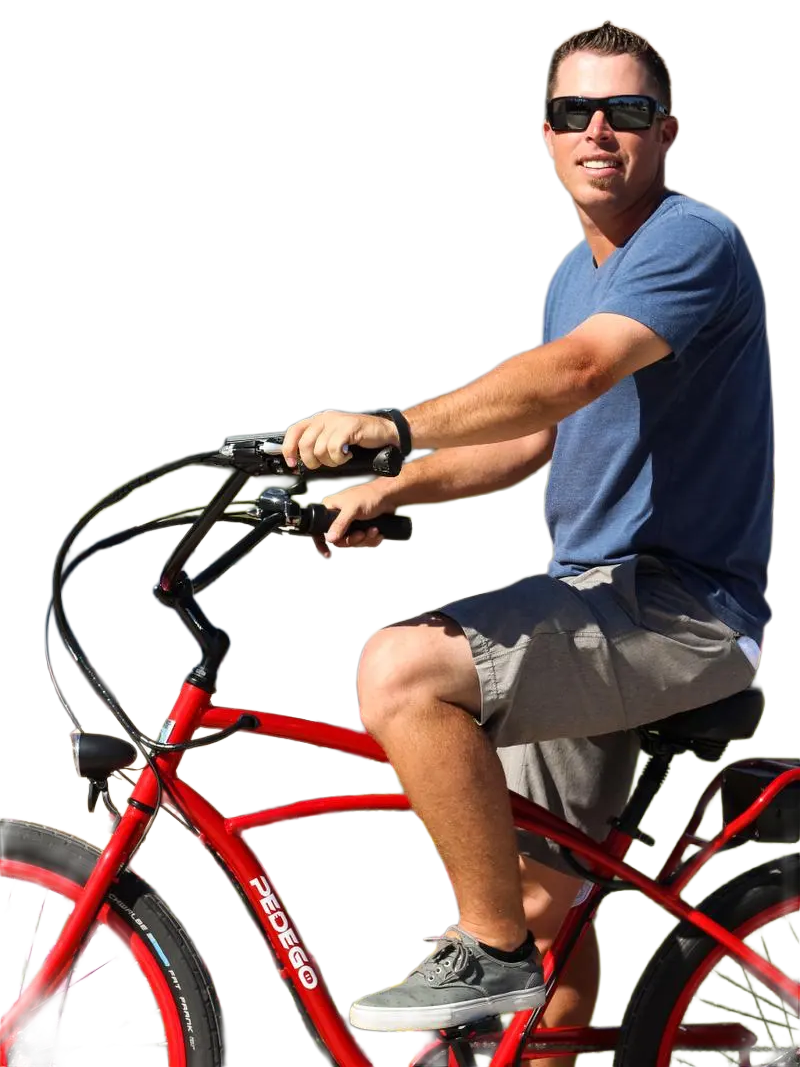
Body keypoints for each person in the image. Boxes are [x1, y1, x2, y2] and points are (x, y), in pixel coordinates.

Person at [280, 18, 773, 1060]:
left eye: (625, 111)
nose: (597, 130)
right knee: (552, 930)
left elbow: (576, 373)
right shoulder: (570, 267)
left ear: (666, 132)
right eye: (572, 112)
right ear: (544, 134)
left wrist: (394, 420)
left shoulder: (692, 238)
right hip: (591, 603)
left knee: (402, 668)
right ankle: (515, 948)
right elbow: (529, 440)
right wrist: (388, 483)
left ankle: (485, 942)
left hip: (675, 607)